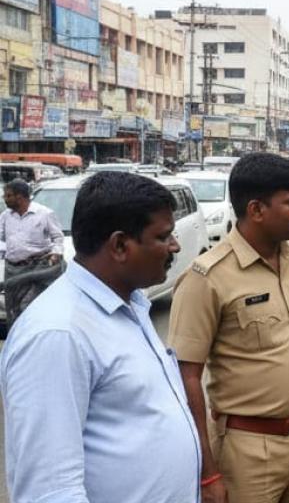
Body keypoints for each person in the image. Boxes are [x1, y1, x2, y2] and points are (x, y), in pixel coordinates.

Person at [0, 172, 201, 502]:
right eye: (164, 236)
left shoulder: (129, 304)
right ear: (120, 245)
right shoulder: (58, 333)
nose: (175, 246)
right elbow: (50, 490)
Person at [168, 151, 289, 503]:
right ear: (256, 210)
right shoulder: (207, 278)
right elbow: (186, 377)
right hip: (247, 452)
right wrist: (207, 472)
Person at [0, 178, 66, 325]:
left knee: (28, 308)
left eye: (8, 195)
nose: (5, 198)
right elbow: (1, 238)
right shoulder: (5, 216)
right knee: (13, 309)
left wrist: (56, 253)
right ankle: (16, 342)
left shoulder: (44, 214)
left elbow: (58, 238)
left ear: (19, 197)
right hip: (12, 269)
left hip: (36, 269)